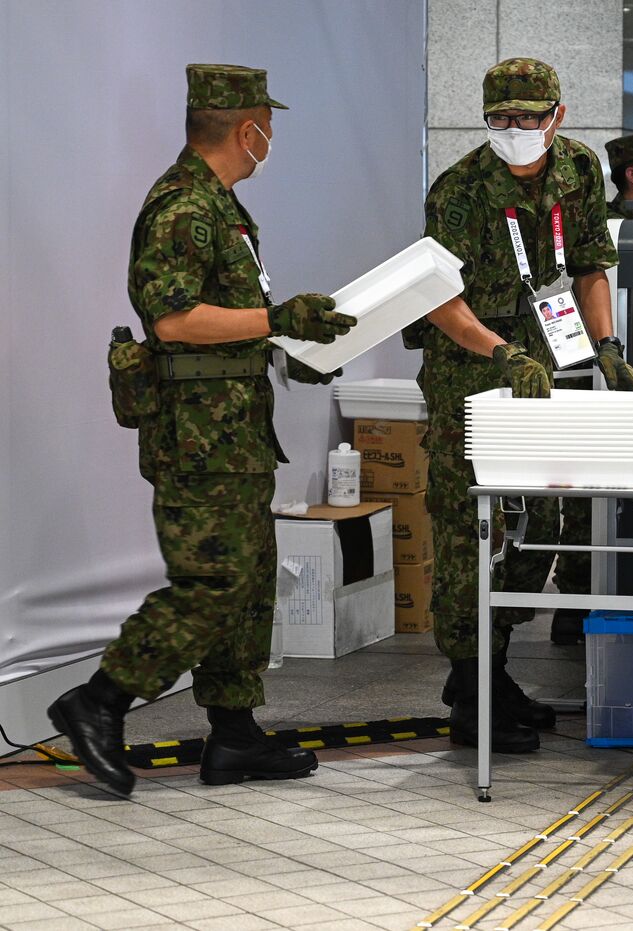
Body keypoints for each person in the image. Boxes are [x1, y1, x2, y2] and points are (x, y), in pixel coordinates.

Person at [46, 64, 357, 798]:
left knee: (247, 586)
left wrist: (292, 348)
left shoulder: (224, 208)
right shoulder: (184, 208)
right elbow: (174, 320)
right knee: (212, 582)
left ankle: (235, 735)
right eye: (268, 124)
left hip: (235, 432)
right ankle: (99, 700)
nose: (272, 136)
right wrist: (279, 322)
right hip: (197, 438)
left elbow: (228, 323)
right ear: (247, 129)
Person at [404, 58, 633, 754]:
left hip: (541, 365)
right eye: (502, 118)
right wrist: (497, 351)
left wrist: (606, 345)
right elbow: (438, 296)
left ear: (557, 116)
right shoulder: (459, 190)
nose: (516, 129)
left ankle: (493, 666)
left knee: (539, 517)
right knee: (468, 525)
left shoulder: (577, 170)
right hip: (466, 371)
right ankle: (471, 687)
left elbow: (591, 265)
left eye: (529, 117)